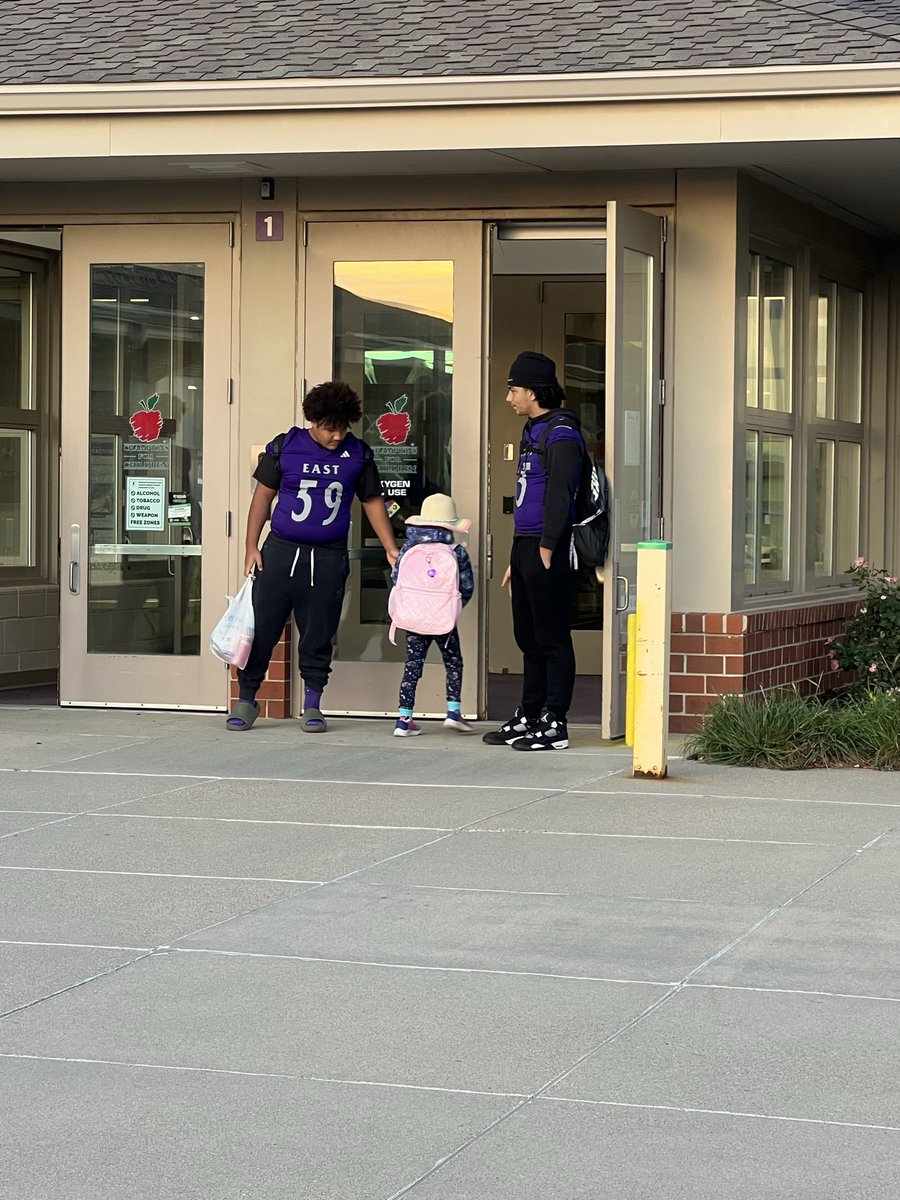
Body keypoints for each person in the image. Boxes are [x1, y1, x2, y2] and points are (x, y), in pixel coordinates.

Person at [226, 380, 398, 733]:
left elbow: (371, 502)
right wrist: (250, 545)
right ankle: (247, 698)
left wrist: (391, 547)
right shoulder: (285, 446)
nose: (337, 436)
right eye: (329, 428)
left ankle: (313, 704)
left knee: (319, 632)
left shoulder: (359, 454)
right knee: (262, 629)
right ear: (313, 421)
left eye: (342, 427)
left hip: (328, 557)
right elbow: (262, 498)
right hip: (281, 551)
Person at [483, 352, 585, 751]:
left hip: (549, 548)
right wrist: (517, 556)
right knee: (527, 637)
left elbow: (560, 495)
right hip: (525, 546)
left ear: (533, 390)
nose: (509, 397)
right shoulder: (532, 431)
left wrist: (547, 546)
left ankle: (555, 721)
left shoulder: (562, 434)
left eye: (513, 389)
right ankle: (530, 713)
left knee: (552, 637)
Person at [391, 493, 475, 737]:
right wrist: (453, 609)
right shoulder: (456, 551)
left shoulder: (408, 548)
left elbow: (397, 579)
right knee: (453, 661)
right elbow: (467, 587)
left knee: (413, 664)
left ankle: (404, 719)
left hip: (413, 617)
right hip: (443, 619)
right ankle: (453, 711)